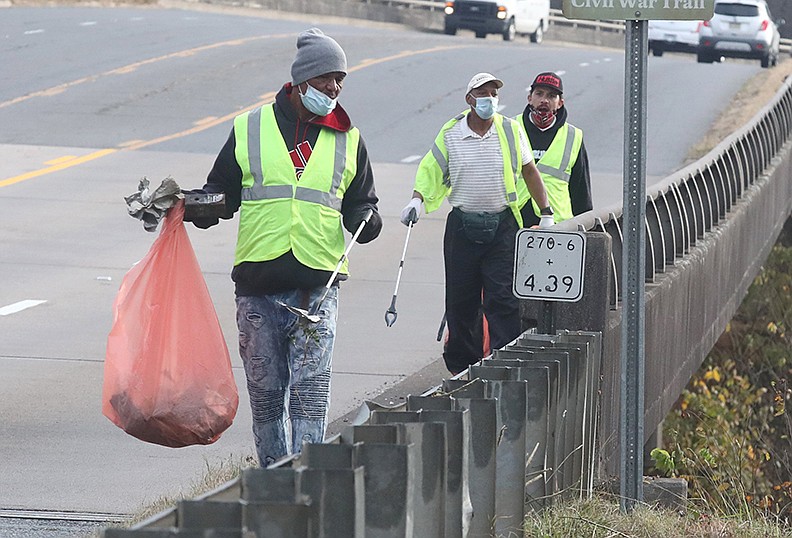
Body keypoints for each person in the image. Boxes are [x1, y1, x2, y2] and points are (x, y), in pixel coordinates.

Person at [186, 28, 382, 466]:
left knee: (310, 400)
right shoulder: (250, 128)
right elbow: (222, 192)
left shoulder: (348, 137)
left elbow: (362, 201)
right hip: (259, 289)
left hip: (318, 288)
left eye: (341, 80)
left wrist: (366, 221)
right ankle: (275, 483)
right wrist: (188, 207)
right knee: (268, 401)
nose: (335, 88)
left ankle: (307, 487)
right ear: (302, 80)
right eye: (329, 77)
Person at [400, 72, 554, 375]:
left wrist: (545, 211)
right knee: (461, 303)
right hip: (462, 228)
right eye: (483, 94)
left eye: (493, 94)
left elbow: (530, 172)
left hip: (503, 227)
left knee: (503, 301)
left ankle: (504, 367)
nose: (489, 100)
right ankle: (463, 369)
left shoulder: (510, 131)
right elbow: (431, 171)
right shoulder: (451, 134)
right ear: (469, 99)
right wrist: (418, 199)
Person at [516, 72, 592, 227]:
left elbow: (581, 193)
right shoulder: (511, 128)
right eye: (539, 94)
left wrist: (586, 230)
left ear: (560, 103)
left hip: (556, 226)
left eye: (551, 96)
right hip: (514, 223)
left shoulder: (573, 136)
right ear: (529, 98)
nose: (544, 100)